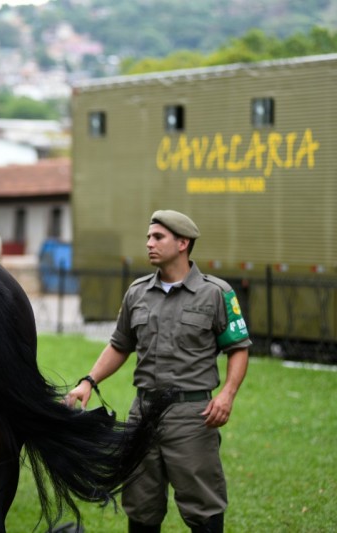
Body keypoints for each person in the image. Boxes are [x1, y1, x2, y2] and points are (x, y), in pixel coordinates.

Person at [63, 210, 251, 533]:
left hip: (193, 416)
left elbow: (238, 348)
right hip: (143, 413)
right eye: (148, 237)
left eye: (158, 237)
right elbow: (119, 345)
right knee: (141, 508)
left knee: (204, 509)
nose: (149, 243)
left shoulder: (215, 293)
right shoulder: (137, 293)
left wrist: (227, 395)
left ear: (183, 243)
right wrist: (89, 381)